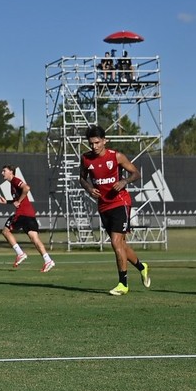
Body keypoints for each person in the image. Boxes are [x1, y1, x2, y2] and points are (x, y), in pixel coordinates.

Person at [79, 126, 149, 295]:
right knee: (121, 245)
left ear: (105, 141)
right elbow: (82, 178)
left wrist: (124, 181)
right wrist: (89, 189)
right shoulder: (86, 158)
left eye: (97, 142)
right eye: (91, 143)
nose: (94, 146)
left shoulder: (116, 156)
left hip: (120, 202)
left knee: (116, 242)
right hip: (103, 206)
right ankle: (142, 267)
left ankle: (123, 284)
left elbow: (136, 173)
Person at [0, 165, 54, 273]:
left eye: (4, 171)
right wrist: (7, 202)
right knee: (34, 239)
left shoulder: (15, 180)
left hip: (22, 214)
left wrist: (18, 201)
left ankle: (20, 253)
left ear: (11, 172)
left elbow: (26, 188)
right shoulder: (12, 184)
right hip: (30, 214)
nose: (2, 173)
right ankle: (48, 260)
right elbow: (18, 201)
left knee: (5, 231)